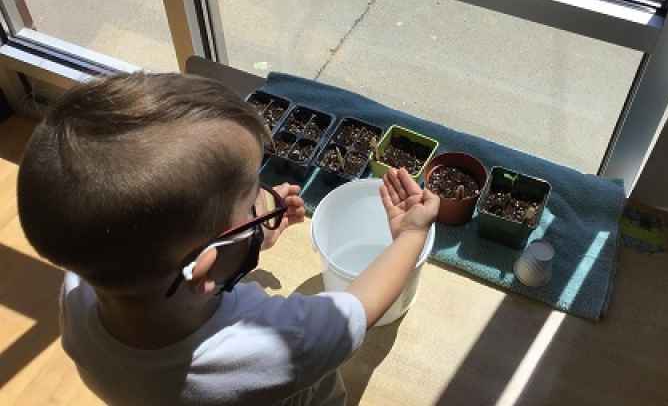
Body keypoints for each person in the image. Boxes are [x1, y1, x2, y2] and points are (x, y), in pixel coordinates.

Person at [17, 72, 439, 405]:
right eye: (250, 196)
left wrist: (249, 237)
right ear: (206, 262)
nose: (263, 198)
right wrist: (409, 235)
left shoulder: (81, 288)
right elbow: (358, 309)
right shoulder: (274, 344)